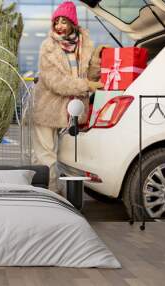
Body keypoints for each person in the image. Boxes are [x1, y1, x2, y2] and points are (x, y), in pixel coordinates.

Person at [32, 1, 105, 194]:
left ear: (73, 22)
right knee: (45, 156)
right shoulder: (48, 47)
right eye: (56, 22)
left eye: (64, 21)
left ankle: (59, 191)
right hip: (47, 108)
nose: (59, 26)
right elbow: (54, 81)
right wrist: (85, 85)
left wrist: (97, 59)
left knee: (66, 157)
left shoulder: (85, 45)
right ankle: (50, 193)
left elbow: (90, 77)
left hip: (72, 110)